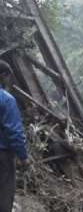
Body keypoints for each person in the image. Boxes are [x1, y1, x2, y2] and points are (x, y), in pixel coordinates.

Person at [0, 60, 29, 212]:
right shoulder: (7, 99)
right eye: (8, 77)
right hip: (3, 155)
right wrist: (23, 156)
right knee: (4, 192)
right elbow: (14, 131)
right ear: (3, 76)